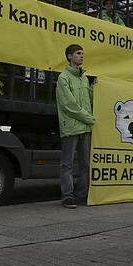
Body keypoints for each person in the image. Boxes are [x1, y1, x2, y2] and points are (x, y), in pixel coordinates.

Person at [56, 44, 95, 208]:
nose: (81, 56)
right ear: (69, 56)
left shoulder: (84, 78)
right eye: (78, 53)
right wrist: (89, 118)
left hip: (85, 128)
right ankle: (67, 196)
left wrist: (96, 87)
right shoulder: (63, 77)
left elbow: (90, 99)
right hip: (72, 127)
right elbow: (68, 105)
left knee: (85, 163)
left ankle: (81, 195)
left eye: (82, 53)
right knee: (68, 164)